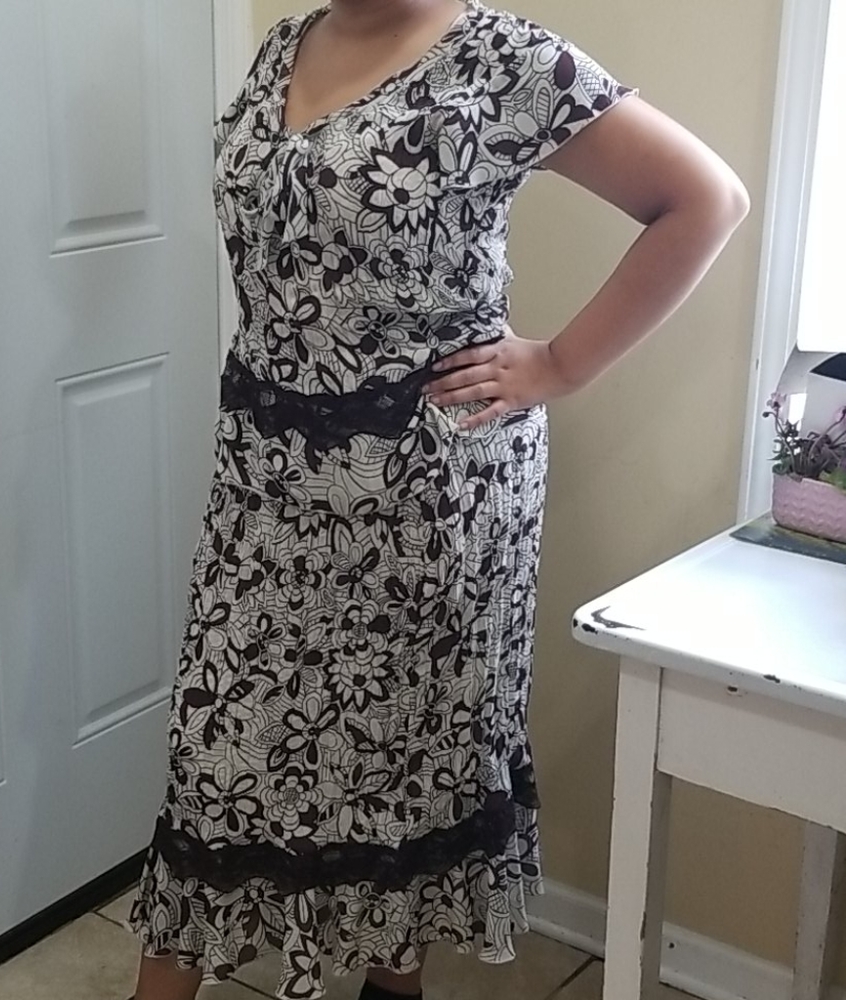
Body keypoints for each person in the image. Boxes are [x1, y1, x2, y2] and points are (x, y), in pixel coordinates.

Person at [128, 2, 750, 999]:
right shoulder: (285, 43)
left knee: (403, 759)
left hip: (429, 491)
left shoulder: (504, 58)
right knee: (221, 757)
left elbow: (705, 199)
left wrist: (558, 363)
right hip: (266, 481)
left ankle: (393, 982)